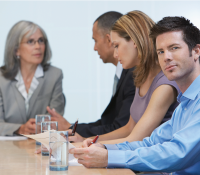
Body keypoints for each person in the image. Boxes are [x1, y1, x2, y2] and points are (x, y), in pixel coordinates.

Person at [70, 15, 200, 174]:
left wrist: (108, 157)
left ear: (196, 51)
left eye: (174, 48)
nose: (166, 57)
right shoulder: (184, 105)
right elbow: (151, 142)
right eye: (160, 51)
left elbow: (178, 153)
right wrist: (103, 147)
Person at [71, 11, 179, 145]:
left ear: (134, 41)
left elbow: (136, 138)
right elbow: (129, 128)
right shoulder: (141, 76)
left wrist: (91, 145)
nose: (115, 54)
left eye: (117, 46)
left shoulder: (165, 84)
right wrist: (87, 140)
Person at [47, 11, 136, 139]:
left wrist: (73, 130)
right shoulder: (123, 73)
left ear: (108, 39)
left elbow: (120, 127)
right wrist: (71, 128)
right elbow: (108, 122)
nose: (94, 48)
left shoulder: (132, 75)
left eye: (95, 41)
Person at [0, 20, 65, 136]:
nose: (38, 46)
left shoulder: (55, 75)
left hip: (41, 147)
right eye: (30, 41)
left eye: (41, 41)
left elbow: (57, 120)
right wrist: (19, 129)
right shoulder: (1, 78)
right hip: (7, 150)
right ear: (16, 50)